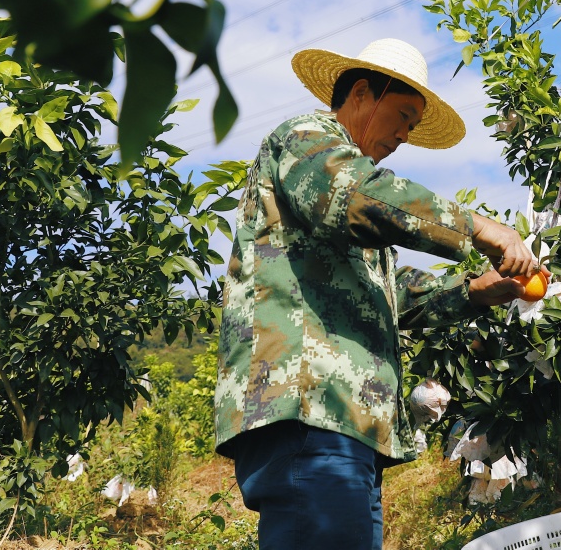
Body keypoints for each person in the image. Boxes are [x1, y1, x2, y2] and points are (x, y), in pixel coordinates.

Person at [214, 38, 536, 550]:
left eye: (413, 124)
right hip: (308, 408)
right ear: (362, 93)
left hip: (346, 421)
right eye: (403, 116)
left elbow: (388, 296)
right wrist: (479, 228)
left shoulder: (350, 211)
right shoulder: (305, 141)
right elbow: (361, 196)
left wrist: (475, 292)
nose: (405, 135)